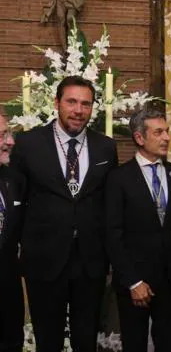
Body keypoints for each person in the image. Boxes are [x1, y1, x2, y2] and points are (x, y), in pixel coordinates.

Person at [10, 75, 118, 352]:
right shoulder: (27, 144)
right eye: (71, 102)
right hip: (43, 259)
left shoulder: (106, 147)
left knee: (86, 339)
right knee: (48, 340)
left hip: (90, 261)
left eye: (86, 104)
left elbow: (110, 205)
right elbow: (17, 202)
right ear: (57, 102)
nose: (78, 110)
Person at [105, 108, 171, 352]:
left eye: (167, 132)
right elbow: (112, 233)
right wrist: (133, 281)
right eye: (158, 132)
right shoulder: (118, 178)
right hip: (135, 282)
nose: (166, 138)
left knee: (170, 343)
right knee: (134, 344)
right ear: (139, 138)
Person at [0, 115, 26, 352]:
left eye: (9, 134)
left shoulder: (12, 180)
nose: (9, 141)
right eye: (1, 135)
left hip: (8, 294)